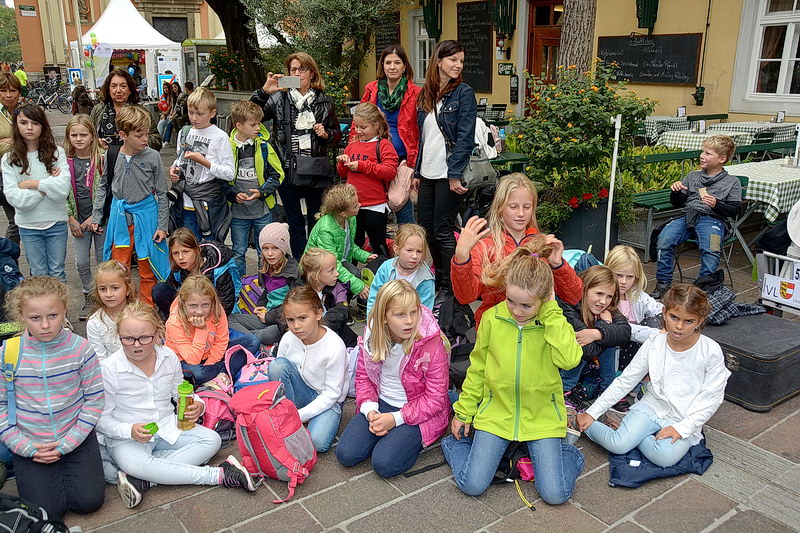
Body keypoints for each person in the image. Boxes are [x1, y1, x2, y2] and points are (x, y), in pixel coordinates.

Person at [443, 241, 584, 503]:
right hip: (496, 414)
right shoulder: (492, 318)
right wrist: (464, 412)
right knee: (472, 485)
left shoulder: (553, 320)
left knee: (555, 495)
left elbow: (569, 360)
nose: (517, 311)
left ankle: (569, 453)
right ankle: (455, 444)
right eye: (511, 301)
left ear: (544, 298)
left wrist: (552, 312)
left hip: (541, 418)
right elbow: (478, 369)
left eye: (526, 306)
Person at [98, 301, 256, 509]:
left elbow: (182, 392)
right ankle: (219, 475)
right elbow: (100, 420)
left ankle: (144, 479)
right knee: (135, 463)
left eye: (144, 338)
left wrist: (197, 404)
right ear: (118, 335)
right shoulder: (108, 368)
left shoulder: (168, 357)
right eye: (128, 339)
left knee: (212, 440)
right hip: (127, 438)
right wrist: (129, 430)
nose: (136, 345)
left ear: (157, 333)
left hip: (166, 426)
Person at [576, 284, 731, 468]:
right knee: (618, 445)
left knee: (664, 457)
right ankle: (579, 419)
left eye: (688, 321)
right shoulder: (654, 343)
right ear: (664, 312)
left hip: (683, 416)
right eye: (674, 317)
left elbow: (712, 397)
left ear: (700, 321)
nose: (679, 326)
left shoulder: (711, 351)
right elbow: (626, 380)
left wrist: (682, 428)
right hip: (652, 406)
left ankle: (633, 433)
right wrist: (592, 412)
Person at [0, 276, 105, 520]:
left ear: (65, 310)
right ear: (21, 316)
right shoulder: (8, 353)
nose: (45, 325)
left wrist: (69, 443)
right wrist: (23, 447)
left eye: (53, 315)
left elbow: (94, 399)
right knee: (47, 512)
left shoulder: (80, 349)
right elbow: (2, 404)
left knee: (89, 501)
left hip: (75, 437)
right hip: (31, 442)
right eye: (35, 318)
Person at [336, 280, 449, 477]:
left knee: (384, 464)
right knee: (346, 454)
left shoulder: (431, 343)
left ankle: (419, 437)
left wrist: (396, 419)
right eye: (400, 314)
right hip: (381, 402)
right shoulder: (372, 334)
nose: (410, 321)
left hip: (417, 409)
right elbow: (363, 377)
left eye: (413, 312)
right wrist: (370, 410)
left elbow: (435, 399)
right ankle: (391, 435)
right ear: (384, 317)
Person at [452, 173, 583, 326]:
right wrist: (461, 257)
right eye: (513, 207)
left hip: (536, 329)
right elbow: (466, 296)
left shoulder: (542, 244)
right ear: (500, 208)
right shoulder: (485, 246)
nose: (521, 213)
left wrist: (558, 265)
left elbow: (574, 296)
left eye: (527, 207)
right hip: (498, 328)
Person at [250, 52, 342, 257]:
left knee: (317, 220)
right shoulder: (278, 98)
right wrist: (264, 92)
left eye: (303, 69)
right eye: (293, 70)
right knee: (295, 222)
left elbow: (337, 135)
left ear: (312, 73)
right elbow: (249, 116)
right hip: (287, 169)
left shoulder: (325, 101)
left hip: (316, 170)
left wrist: (326, 134)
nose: (298, 73)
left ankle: (316, 263)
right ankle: (300, 262)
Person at [91, 105, 169, 306]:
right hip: (120, 219)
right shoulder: (111, 155)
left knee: (148, 267)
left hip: (146, 217)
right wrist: (97, 215)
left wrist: (162, 226)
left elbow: (162, 192)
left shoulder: (153, 156)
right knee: (119, 267)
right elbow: (103, 186)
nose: (145, 139)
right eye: (139, 135)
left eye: (146, 134)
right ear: (123, 135)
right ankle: (120, 308)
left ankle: (149, 308)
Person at [415, 39, 476, 294]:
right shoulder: (425, 94)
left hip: (448, 173)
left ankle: (452, 286)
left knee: (443, 229)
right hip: (427, 172)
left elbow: (465, 137)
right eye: (453, 60)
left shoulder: (463, 93)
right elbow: (423, 138)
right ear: (438, 61)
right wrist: (417, 171)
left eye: (461, 61)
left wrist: (455, 174)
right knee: (426, 229)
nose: (458, 65)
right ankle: (439, 277)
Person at [651, 135, 741, 299]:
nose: (702, 156)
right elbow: (677, 203)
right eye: (702, 151)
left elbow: (734, 210)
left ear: (722, 159)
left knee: (711, 248)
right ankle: (663, 283)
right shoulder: (692, 176)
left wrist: (717, 204)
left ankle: (702, 290)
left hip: (713, 220)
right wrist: (676, 192)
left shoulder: (732, 182)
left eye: (708, 153)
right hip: (687, 216)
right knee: (664, 240)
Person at [267, 286, 348, 452]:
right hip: (301, 391)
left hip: (328, 399)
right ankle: (286, 414)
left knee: (317, 443)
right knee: (277, 366)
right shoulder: (288, 338)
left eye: (302, 318)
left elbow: (332, 394)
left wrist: (299, 415)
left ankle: (294, 419)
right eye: (290, 320)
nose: (296, 326)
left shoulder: (335, 347)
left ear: (318, 314)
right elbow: (281, 374)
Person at [1, 103, 70, 282]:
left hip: (56, 222)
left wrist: (32, 184)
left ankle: (61, 303)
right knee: (39, 274)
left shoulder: (57, 153)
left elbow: (63, 190)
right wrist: (45, 188)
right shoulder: (9, 159)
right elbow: (14, 198)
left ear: (43, 125)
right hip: (28, 225)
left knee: (57, 273)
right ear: (16, 125)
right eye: (24, 123)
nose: (30, 128)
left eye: (35, 123)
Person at [355, 44, 421, 224]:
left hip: (402, 158)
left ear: (404, 66)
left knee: (401, 205)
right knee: (373, 208)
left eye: (397, 62)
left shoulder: (415, 93)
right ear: (382, 66)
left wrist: (416, 165)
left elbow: (419, 130)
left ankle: (409, 241)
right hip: (374, 155)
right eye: (388, 62)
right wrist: (354, 147)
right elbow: (359, 120)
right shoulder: (372, 89)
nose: (392, 67)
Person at [224, 100, 284, 275]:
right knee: (238, 251)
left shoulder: (264, 146)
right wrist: (234, 195)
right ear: (239, 125)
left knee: (264, 252)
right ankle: (239, 285)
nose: (258, 128)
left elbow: (277, 175)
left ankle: (264, 284)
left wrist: (262, 192)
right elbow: (221, 180)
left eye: (259, 123)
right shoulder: (227, 147)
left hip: (262, 211)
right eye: (253, 124)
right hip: (238, 213)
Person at [559, 265, 631, 411]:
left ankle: (608, 390)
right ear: (584, 289)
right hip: (561, 369)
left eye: (609, 296)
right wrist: (604, 326)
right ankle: (564, 391)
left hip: (588, 368)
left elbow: (625, 332)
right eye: (599, 293)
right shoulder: (569, 306)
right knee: (602, 339)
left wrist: (598, 333)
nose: (603, 301)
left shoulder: (607, 308)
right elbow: (587, 350)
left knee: (609, 336)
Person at [168, 87, 234, 242]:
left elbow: (230, 173)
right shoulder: (184, 132)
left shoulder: (220, 136)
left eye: (200, 114)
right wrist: (173, 168)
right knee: (189, 247)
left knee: (209, 249)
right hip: (185, 203)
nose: (194, 118)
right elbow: (180, 159)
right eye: (191, 112)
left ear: (212, 113)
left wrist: (205, 162)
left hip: (208, 205)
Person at [336, 102, 398, 258]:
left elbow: (390, 171)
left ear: (376, 126)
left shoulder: (384, 145)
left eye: (363, 127)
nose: (358, 131)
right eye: (356, 127)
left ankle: (381, 270)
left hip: (375, 206)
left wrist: (363, 166)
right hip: (352, 206)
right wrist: (342, 162)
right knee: (352, 244)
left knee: (378, 244)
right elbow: (342, 173)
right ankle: (350, 272)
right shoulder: (352, 145)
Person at [228, 223, 298, 346]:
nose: (269, 253)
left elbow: (295, 306)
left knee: (269, 333)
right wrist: (260, 306)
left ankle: (250, 340)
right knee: (230, 319)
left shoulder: (293, 273)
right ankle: (252, 340)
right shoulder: (265, 266)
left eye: (275, 248)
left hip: (283, 321)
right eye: (265, 248)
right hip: (266, 316)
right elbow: (266, 292)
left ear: (283, 249)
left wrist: (268, 317)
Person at [305, 183, 377, 299]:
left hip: (337, 260)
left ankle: (344, 301)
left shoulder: (350, 219)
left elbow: (349, 245)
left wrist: (365, 256)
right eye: (355, 205)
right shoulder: (326, 229)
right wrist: (358, 287)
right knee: (354, 280)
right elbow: (333, 263)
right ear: (343, 213)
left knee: (356, 275)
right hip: (320, 267)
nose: (360, 205)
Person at [64, 114, 105, 318]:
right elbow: (62, 193)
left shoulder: (102, 159)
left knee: (103, 260)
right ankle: (88, 293)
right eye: (74, 135)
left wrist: (96, 216)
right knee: (81, 262)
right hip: (78, 221)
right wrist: (71, 219)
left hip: (100, 219)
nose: (78, 139)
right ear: (68, 137)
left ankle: (103, 296)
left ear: (92, 136)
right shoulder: (64, 162)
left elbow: (108, 190)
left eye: (83, 135)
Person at [152, 228, 239, 318]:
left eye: (186, 251)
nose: (180, 257)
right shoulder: (177, 269)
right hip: (189, 310)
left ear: (197, 250)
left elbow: (226, 304)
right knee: (159, 290)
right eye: (175, 253)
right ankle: (175, 321)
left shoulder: (217, 270)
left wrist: (205, 321)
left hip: (214, 312)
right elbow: (166, 294)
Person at [605, 245, 664, 372]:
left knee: (663, 318)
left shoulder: (636, 294)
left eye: (629, 277)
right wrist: (658, 334)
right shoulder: (605, 298)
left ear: (636, 277)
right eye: (618, 275)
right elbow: (622, 329)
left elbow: (660, 309)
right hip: (617, 351)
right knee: (653, 326)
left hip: (639, 345)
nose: (623, 281)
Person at [165, 275, 230, 385]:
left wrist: (209, 365)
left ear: (212, 302)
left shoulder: (217, 311)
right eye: (193, 306)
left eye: (205, 305)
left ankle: (218, 371)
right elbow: (193, 360)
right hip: (184, 361)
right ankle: (225, 368)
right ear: (183, 304)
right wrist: (201, 330)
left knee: (252, 341)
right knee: (198, 374)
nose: (199, 311)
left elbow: (221, 341)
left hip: (209, 356)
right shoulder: (174, 322)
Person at [294, 247, 357, 347]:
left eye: (336, 268)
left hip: (333, 328)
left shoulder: (338, 288)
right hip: (306, 334)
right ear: (315, 275)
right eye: (331, 270)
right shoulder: (299, 291)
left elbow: (342, 309)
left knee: (355, 344)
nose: (337, 273)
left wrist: (324, 324)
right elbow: (286, 312)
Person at [366, 223, 434, 316]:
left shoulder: (426, 279)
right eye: (409, 250)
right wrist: (372, 320)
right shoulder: (386, 268)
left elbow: (425, 312)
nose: (415, 256)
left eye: (419, 251)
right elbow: (374, 298)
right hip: (384, 319)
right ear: (396, 249)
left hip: (411, 321)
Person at [90, 67, 162, 150]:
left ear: (130, 90)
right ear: (108, 89)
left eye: (123, 86)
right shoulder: (98, 110)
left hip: (135, 157)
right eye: (113, 86)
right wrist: (97, 144)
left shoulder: (141, 112)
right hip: (106, 157)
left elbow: (156, 141)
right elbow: (89, 136)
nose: (118, 90)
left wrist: (137, 141)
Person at [86, 260, 137, 361]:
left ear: (127, 289)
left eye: (115, 288)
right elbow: (100, 359)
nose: (108, 294)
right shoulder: (94, 323)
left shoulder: (141, 314)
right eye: (103, 289)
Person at [0, 72, 23, 244]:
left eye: (13, 90)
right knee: (16, 221)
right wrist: (15, 142)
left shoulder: (21, 111)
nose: (8, 95)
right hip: (3, 175)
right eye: (3, 90)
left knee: (19, 220)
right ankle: (6, 255)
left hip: (21, 173)